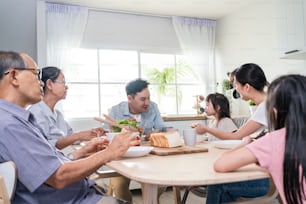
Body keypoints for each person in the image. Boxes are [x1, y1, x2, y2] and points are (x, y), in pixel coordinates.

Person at [0, 51, 139, 204]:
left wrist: (82, 152)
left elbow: (49, 164)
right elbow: (58, 177)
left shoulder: (21, 119)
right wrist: (110, 152)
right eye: (36, 74)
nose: (40, 82)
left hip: (81, 194)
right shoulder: (9, 124)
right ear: (13, 76)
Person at [214, 74, 306, 204]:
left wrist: (244, 144)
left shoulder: (275, 140)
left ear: (274, 109)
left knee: (218, 186)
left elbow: (220, 164)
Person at [195, 63, 270, 203]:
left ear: (247, 87)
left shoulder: (265, 107)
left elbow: (236, 136)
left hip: (265, 178)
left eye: (236, 85)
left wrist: (206, 129)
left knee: (216, 185)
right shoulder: (267, 105)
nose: (236, 89)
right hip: (265, 173)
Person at [107, 78, 168, 203]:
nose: (147, 102)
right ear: (130, 98)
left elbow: (162, 128)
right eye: (143, 99)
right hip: (122, 158)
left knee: (160, 182)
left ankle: (152, 200)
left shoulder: (153, 108)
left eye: (148, 98)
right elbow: (105, 136)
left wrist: (157, 132)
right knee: (119, 186)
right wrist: (116, 131)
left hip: (147, 156)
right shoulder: (116, 110)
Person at [29, 66, 106, 151]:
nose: (66, 87)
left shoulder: (58, 115)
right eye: (63, 82)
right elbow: (44, 147)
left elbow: (71, 137)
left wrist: (91, 133)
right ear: (49, 84)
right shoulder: (36, 113)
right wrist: (78, 136)